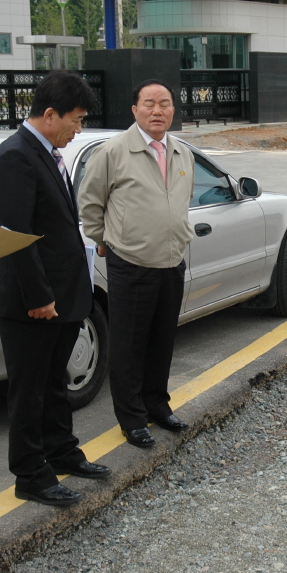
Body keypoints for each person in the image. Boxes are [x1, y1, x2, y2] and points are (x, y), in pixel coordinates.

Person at [0, 70, 111, 508]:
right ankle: (30, 473)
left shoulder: (48, 154)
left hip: (61, 298)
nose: (78, 130)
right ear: (49, 114)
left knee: (54, 383)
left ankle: (62, 452)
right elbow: (15, 235)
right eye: (75, 120)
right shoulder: (16, 157)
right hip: (32, 304)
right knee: (29, 390)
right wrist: (40, 296)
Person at [78, 79, 195, 448]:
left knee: (162, 341)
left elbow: (181, 201)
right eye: (149, 103)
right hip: (130, 262)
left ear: (173, 110)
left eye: (164, 103)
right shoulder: (113, 152)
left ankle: (157, 405)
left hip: (172, 260)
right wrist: (104, 240)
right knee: (129, 346)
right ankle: (131, 418)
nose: (157, 110)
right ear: (134, 110)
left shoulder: (181, 152)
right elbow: (90, 203)